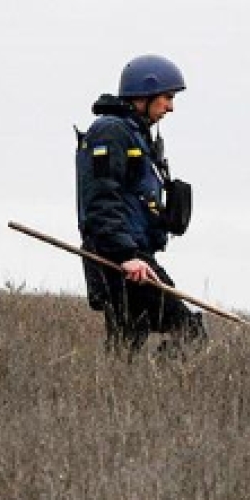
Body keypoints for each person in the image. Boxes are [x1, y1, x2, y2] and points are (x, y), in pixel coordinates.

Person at [75, 54, 204, 355]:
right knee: (191, 334)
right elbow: (101, 199)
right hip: (120, 260)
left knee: (124, 349)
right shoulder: (111, 131)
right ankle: (164, 396)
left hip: (132, 257)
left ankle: (125, 398)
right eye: (167, 97)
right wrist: (126, 256)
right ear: (144, 94)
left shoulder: (137, 135)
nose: (170, 107)